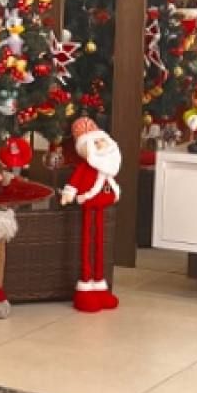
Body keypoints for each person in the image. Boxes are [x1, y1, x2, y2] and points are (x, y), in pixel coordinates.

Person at [60, 116, 121, 313]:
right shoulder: (87, 166)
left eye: (102, 140)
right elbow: (75, 181)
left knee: (100, 243)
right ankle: (85, 285)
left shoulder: (107, 166)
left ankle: (100, 284)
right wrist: (69, 193)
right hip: (88, 203)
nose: (102, 144)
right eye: (96, 142)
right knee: (87, 242)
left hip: (101, 204)